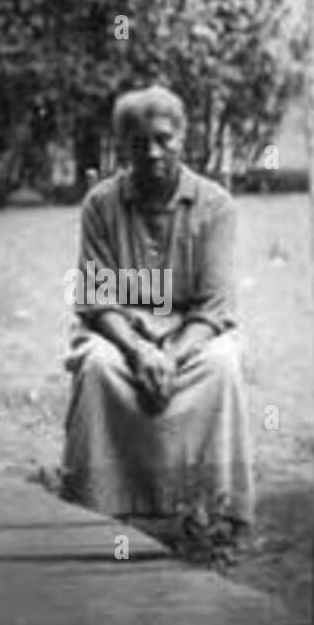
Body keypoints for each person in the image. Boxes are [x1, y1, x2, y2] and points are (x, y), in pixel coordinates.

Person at [61, 85, 253, 533]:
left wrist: (172, 355)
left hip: (192, 333)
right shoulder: (101, 205)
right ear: (122, 146)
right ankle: (101, 507)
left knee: (222, 365)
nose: (151, 152)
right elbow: (96, 299)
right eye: (138, 142)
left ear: (183, 138)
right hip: (120, 335)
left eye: (164, 138)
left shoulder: (216, 206)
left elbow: (215, 304)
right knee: (97, 367)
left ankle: (214, 509)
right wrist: (138, 351)